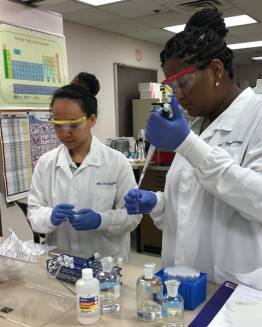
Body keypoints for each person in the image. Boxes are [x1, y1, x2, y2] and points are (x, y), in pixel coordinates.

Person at [124, 8, 262, 289]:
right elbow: (189, 205)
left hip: (233, 287)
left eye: (183, 83)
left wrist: (187, 144)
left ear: (215, 70)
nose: (178, 95)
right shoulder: (197, 124)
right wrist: (157, 204)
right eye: (171, 86)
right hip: (180, 282)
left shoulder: (257, 115)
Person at [27, 72, 141, 261]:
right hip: (61, 260)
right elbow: (34, 211)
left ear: (92, 120)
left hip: (106, 263)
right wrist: (50, 217)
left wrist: (101, 220)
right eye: (57, 124)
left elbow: (133, 216)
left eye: (73, 124)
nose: (65, 132)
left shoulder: (116, 162)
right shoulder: (46, 163)